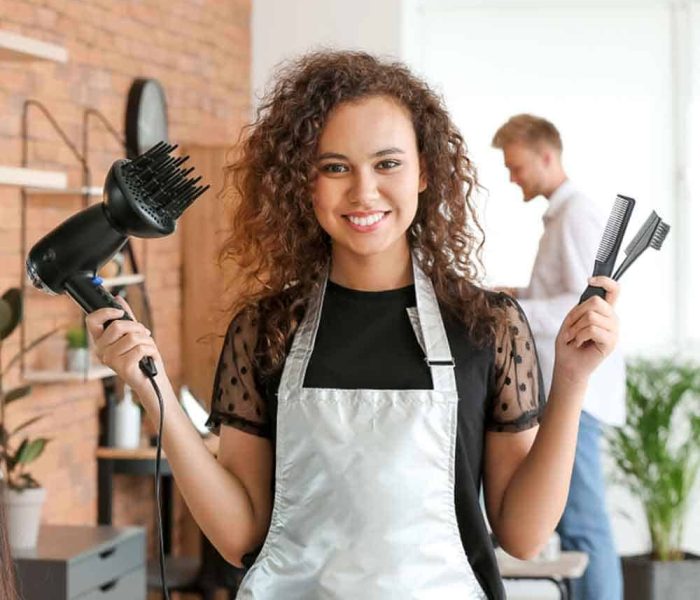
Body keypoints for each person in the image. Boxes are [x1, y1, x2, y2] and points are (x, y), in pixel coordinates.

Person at [87, 52, 620, 600]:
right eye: (335, 167)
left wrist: (574, 378)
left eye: (387, 164)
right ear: (304, 182)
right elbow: (239, 537)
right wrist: (155, 395)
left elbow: (524, 535)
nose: (363, 192)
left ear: (424, 172)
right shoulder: (265, 330)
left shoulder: (487, 327)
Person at [492, 113, 626, 600]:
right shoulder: (560, 217)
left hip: (581, 399)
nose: (513, 177)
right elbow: (561, 293)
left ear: (547, 156)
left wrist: (514, 308)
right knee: (577, 523)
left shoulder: (576, 215)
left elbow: (585, 303)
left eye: (517, 166)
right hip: (572, 395)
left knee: (583, 526)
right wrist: (513, 293)